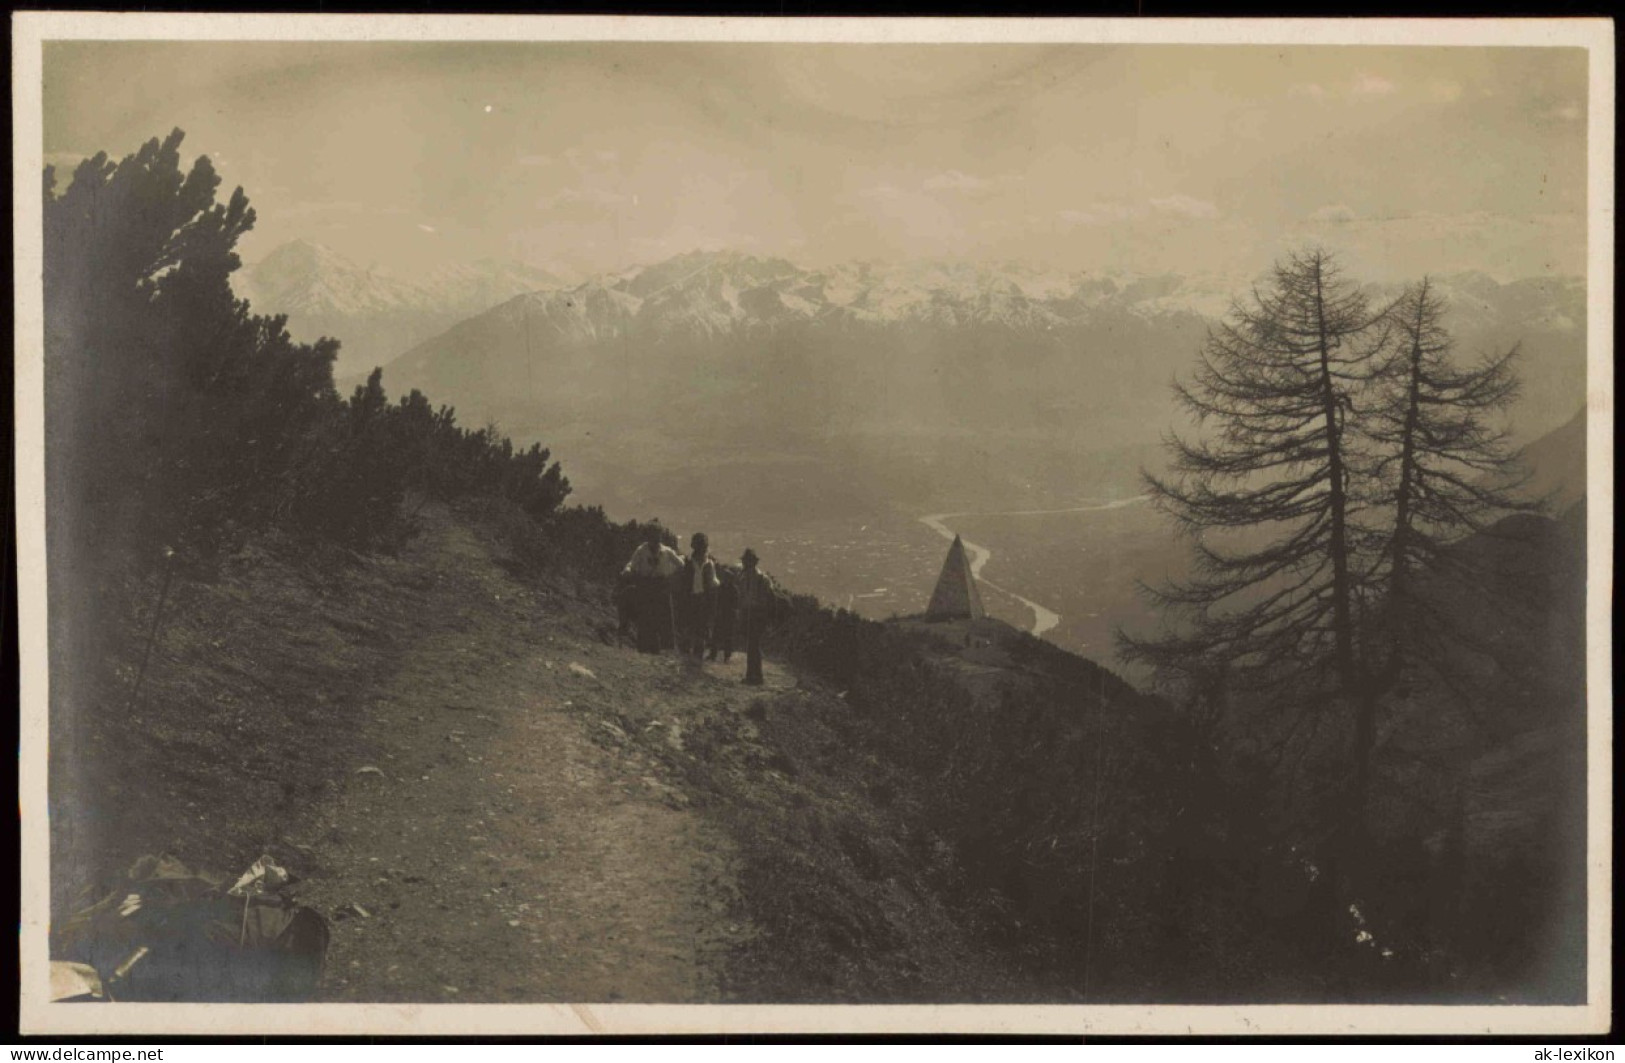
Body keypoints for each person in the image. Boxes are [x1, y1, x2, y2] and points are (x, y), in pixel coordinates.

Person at [622, 526, 683, 653]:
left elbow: (680, 564)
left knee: (663, 616)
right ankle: (644, 648)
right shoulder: (642, 550)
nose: (656, 539)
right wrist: (627, 570)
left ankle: (663, 648)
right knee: (645, 616)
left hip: (661, 586)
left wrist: (671, 576)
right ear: (648, 537)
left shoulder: (666, 551)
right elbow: (632, 564)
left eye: (658, 536)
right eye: (653, 535)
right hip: (646, 585)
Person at [735, 547, 776, 686]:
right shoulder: (747, 577)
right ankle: (752, 675)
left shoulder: (760, 578)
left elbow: (764, 599)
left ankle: (755, 676)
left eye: (748, 561)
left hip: (757, 614)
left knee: (753, 644)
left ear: (752, 562)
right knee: (751, 645)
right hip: (749, 613)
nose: (746, 564)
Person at [677, 532, 719, 659]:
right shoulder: (686, 561)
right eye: (699, 545)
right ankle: (686, 656)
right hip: (689, 598)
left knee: (701, 628)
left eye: (702, 545)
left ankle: (696, 658)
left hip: (703, 599)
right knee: (688, 626)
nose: (701, 548)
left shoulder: (709, 564)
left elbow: (713, 583)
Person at [709, 562, 739, 663]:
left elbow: (736, 604)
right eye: (725, 577)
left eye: (727, 577)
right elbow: (716, 600)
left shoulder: (734, 590)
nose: (725, 579)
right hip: (720, 613)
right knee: (716, 635)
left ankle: (727, 656)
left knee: (728, 636)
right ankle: (713, 655)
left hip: (729, 615)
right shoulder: (721, 588)